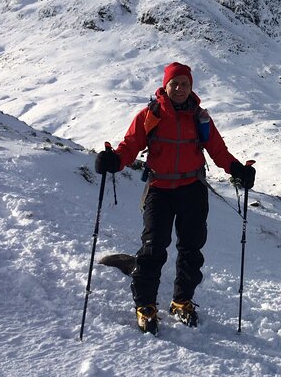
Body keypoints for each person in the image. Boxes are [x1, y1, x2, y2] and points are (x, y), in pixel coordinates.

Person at [94, 62, 255, 335]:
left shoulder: (199, 118)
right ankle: (145, 304)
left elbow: (218, 150)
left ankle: (182, 301)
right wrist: (113, 160)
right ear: (165, 85)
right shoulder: (150, 114)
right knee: (153, 247)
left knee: (191, 249)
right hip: (159, 188)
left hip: (192, 188)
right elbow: (130, 145)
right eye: (175, 84)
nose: (179, 89)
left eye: (185, 84)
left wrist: (238, 170)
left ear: (191, 87)